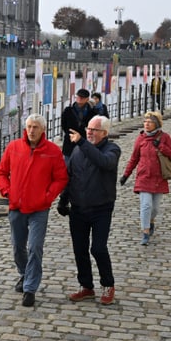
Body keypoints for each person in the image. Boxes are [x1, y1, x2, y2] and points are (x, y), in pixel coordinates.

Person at [0, 113, 68, 308]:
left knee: (35, 247)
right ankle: (24, 274)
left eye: (35, 127)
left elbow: (61, 178)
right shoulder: (14, 147)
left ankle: (30, 289)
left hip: (39, 209)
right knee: (17, 248)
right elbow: (1, 172)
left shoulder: (52, 151)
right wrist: (7, 191)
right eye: (28, 126)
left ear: (43, 129)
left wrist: (47, 196)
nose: (31, 130)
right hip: (17, 206)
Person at [58, 115, 121, 305]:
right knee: (80, 249)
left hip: (101, 207)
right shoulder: (78, 150)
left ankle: (108, 284)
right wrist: (63, 199)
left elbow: (103, 162)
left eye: (94, 130)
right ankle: (86, 286)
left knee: (98, 248)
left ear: (104, 133)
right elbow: (71, 176)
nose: (89, 132)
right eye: (88, 129)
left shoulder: (112, 149)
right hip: (78, 208)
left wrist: (83, 142)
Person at [120, 111, 171, 245]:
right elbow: (134, 158)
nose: (146, 124)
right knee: (146, 205)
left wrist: (161, 146)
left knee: (155, 208)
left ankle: (151, 221)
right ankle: (145, 232)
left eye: (149, 122)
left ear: (156, 124)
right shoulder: (140, 138)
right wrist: (126, 175)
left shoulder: (164, 137)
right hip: (144, 176)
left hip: (159, 177)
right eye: (145, 121)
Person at [61, 88, 96, 161]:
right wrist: (70, 133)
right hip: (70, 141)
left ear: (87, 99)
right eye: (78, 97)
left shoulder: (92, 112)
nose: (80, 99)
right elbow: (63, 124)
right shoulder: (68, 110)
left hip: (85, 141)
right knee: (68, 166)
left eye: (82, 97)